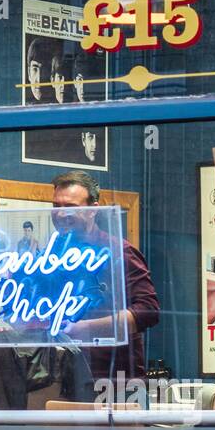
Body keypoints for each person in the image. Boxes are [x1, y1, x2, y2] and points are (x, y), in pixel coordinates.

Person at [49, 170, 160, 398]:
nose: (60, 213)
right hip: (63, 379)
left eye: (70, 206)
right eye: (56, 205)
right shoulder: (52, 255)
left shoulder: (120, 252)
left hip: (113, 383)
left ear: (93, 210)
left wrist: (82, 329)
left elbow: (148, 311)